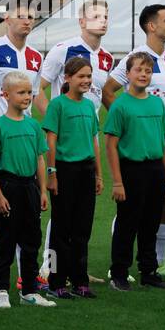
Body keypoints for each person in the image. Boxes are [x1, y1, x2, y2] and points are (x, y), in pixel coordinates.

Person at [103, 5, 165, 278]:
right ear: (151, 26)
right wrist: (129, 121)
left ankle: (156, 262)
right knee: (130, 208)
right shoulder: (135, 58)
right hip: (138, 147)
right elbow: (108, 90)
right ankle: (121, 266)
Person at [0, 2, 43, 288]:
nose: (26, 20)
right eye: (20, 15)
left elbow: (36, 96)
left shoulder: (36, 56)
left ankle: (23, 275)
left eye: (30, 16)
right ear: (6, 19)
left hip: (24, 142)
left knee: (25, 210)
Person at [0, 72, 55, 309]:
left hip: (29, 187)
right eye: (21, 92)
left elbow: (40, 159)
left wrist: (41, 191)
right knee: (6, 240)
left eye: (29, 92)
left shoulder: (33, 125)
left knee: (32, 239)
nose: (27, 97)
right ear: (5, 95)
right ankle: (0, 289)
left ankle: (30, 290)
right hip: (8, 187)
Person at [103, 52, 165, 291]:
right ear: (128, 74)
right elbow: (111, 144)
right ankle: (119, 272)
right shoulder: (120, 105)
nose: (143, 75)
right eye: (138, 70)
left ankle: (149, 270)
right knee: (127, 223)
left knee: (151, 223)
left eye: (148, 71)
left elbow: (161, 141)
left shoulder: (156, 102)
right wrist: (117, 182)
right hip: (131, 170)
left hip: (155, 170)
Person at [42, 56, 103, 299]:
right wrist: (52, 172)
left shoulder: (89, 106)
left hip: (86, 171)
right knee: (60, 229)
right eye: (81, 76)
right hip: (65, 171)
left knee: (82, 229)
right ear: (67, 78)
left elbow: (93, 140)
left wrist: (98, 173)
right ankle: (56, 281)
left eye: (89, 76)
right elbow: (51, 141)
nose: (86, 80)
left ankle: (80, 280)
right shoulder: (58, 105)